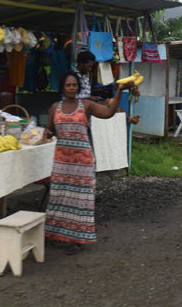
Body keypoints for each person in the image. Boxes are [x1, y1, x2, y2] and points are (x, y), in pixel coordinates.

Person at [43, 69, 131, 255]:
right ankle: (57, 234)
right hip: (62, 162)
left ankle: (77, 240)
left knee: (80, 201)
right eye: (68, 85)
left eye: (74, 85)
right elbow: (49, 129)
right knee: (59, 197)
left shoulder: (86, 105)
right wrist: (47, 134)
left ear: (78, 87)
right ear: (63, 87)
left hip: (82, 163)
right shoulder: (54, 108)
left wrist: (119, 91)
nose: (72, 88)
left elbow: (108, 113)